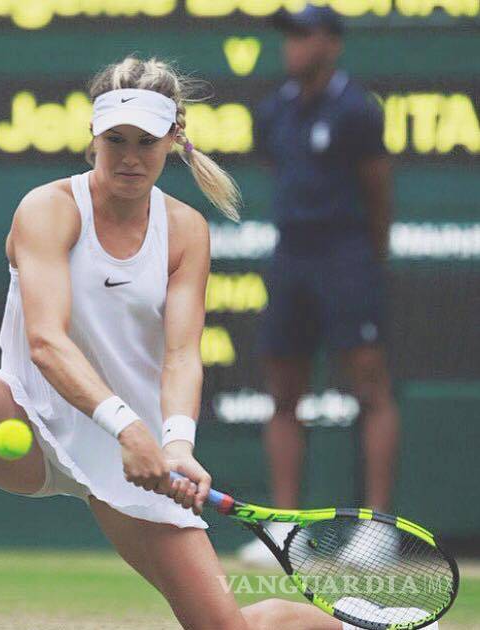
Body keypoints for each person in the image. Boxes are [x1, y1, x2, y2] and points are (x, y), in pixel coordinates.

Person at [0, 56, 349, 630]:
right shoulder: (48, 210)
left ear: (174, 139)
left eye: (146, 142)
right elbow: (45, 342)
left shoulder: (185, 231)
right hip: (34, 420)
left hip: (135, 458)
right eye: (115, 140)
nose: (129, 157)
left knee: (226, 629)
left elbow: (181, 355)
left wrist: (175, 443)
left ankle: (349, 623)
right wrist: (127, 427)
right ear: (93, 136)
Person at [236, 5, 401, 567]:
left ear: (332, 43)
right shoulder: (274, 110)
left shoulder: (357, 110)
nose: (293, 46)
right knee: (283, 394)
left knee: (370, 390)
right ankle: (287, 529)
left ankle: (377, 529)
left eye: (304, 35)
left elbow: (377, 191)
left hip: (347, 256)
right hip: (292, 257)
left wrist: (368, 260)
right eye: (289, 36)